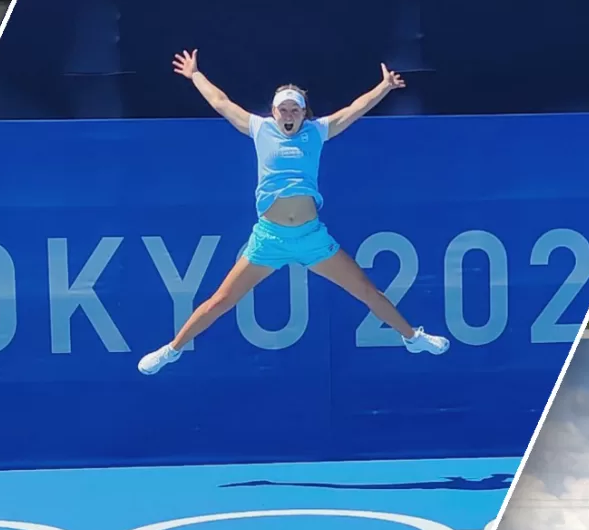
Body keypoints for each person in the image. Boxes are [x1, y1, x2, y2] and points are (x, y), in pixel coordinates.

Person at [137, 51, 449, 374]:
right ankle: (171, 350)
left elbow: (354, 110)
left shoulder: (316, 132)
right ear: (273, 112)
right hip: (268, 239)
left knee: (367, 291)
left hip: (311, 237)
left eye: (294, 110)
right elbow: (220, 101)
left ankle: (412, 337)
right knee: (221, 300)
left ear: (303, 113)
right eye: (283, 109)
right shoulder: (259, 128)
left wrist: (383, 87)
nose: (288, 114)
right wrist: (194, 74)